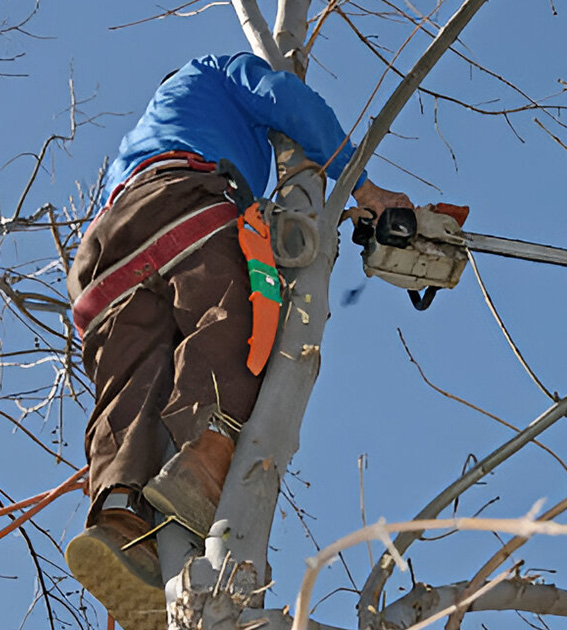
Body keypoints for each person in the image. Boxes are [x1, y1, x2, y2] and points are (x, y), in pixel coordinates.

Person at [63, 52, 411, 628]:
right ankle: (206, 452)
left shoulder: (138, 141)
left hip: (103, 258)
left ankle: (123, 517)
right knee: (239, 322)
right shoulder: (211, 72)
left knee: (132, 386)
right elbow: (285, 99)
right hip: (183, 202)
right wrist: (363, 186)